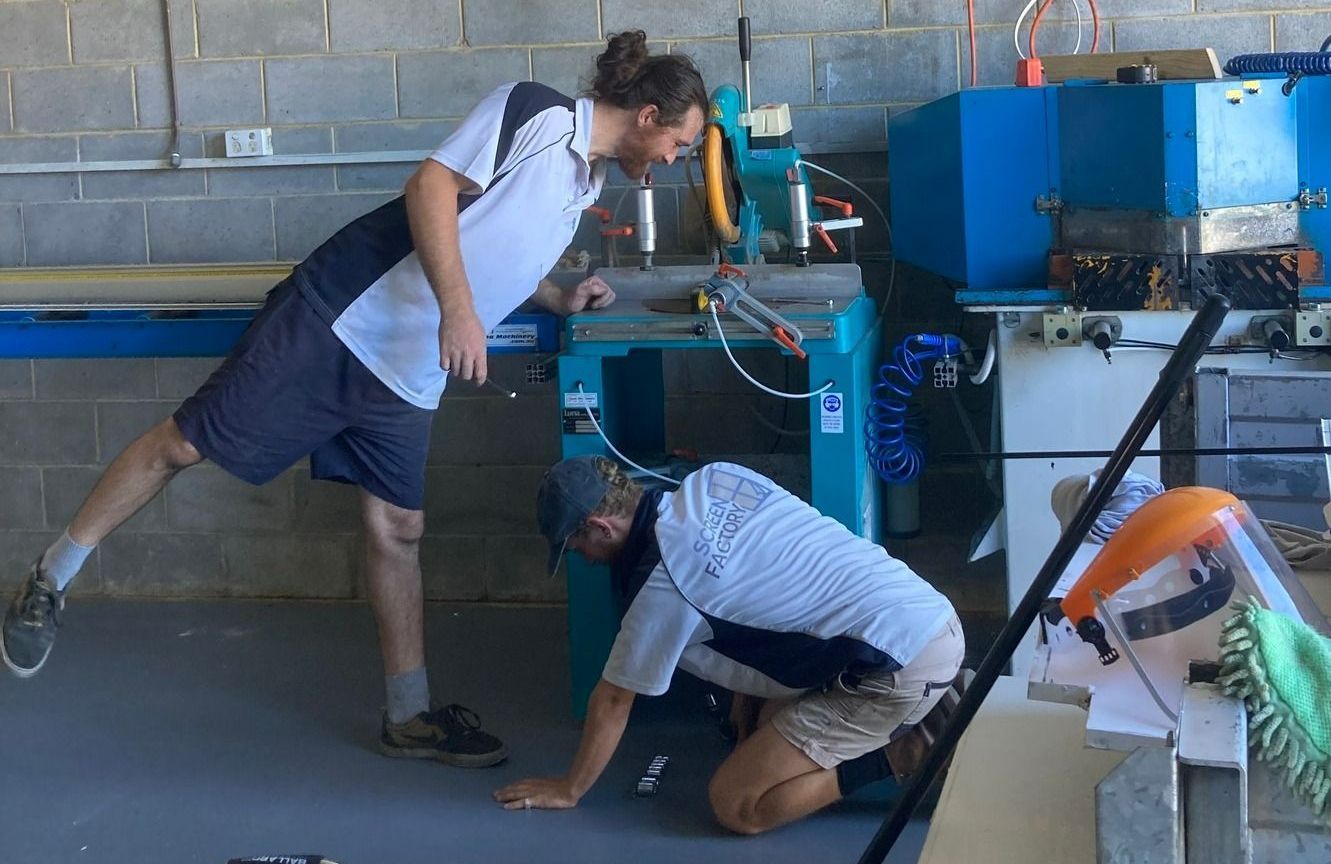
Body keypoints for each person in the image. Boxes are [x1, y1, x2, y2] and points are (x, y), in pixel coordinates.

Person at [2, 32, 707, 770]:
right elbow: (429, 190)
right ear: (651, 114)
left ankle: (407, 717)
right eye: (680, 145)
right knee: (186, 443)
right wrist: (461, 313)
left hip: (406, 369)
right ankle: (53, 576)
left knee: (399, 526)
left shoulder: (586, 179)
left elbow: (498, 240)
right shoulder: (535, 114)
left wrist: (559, 295)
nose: (674, 161)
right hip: (340, 320)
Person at [496, 456, 966, 834]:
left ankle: (909, 749)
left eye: (576, 548)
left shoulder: (662, 586)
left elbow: (615, 699)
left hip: (895, 668)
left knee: (738, 802)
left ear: (600, 527)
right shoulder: (716, 478)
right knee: (758, 727)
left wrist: (570, 788)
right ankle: (937, 698)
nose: (584, 560)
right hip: (926, 615)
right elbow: (766, 585)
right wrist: (750, 691)